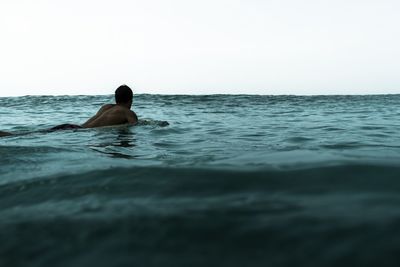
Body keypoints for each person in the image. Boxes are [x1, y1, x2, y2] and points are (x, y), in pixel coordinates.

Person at [0, 85, 138, 136]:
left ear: (116, 99)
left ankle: (5, 134)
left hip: (73, 127)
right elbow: (134, 126)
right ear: (130, 100)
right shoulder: (128, 112)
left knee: (31, 133)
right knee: (28, 135)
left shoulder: (106, 107)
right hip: (77, 132)